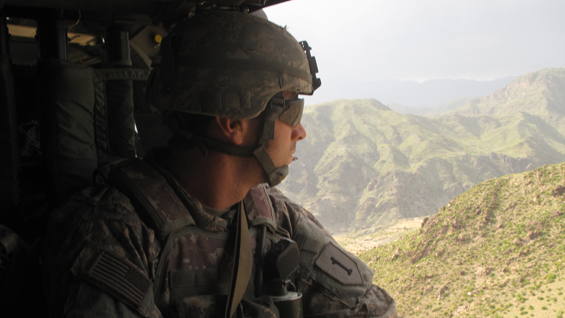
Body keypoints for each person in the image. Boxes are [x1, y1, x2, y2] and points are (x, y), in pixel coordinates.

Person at [41, 10, 398, 318]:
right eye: (291, 109)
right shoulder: (114, 233)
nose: (300, 131)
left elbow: (371, 309)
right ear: (233, 120)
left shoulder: (273, 217)